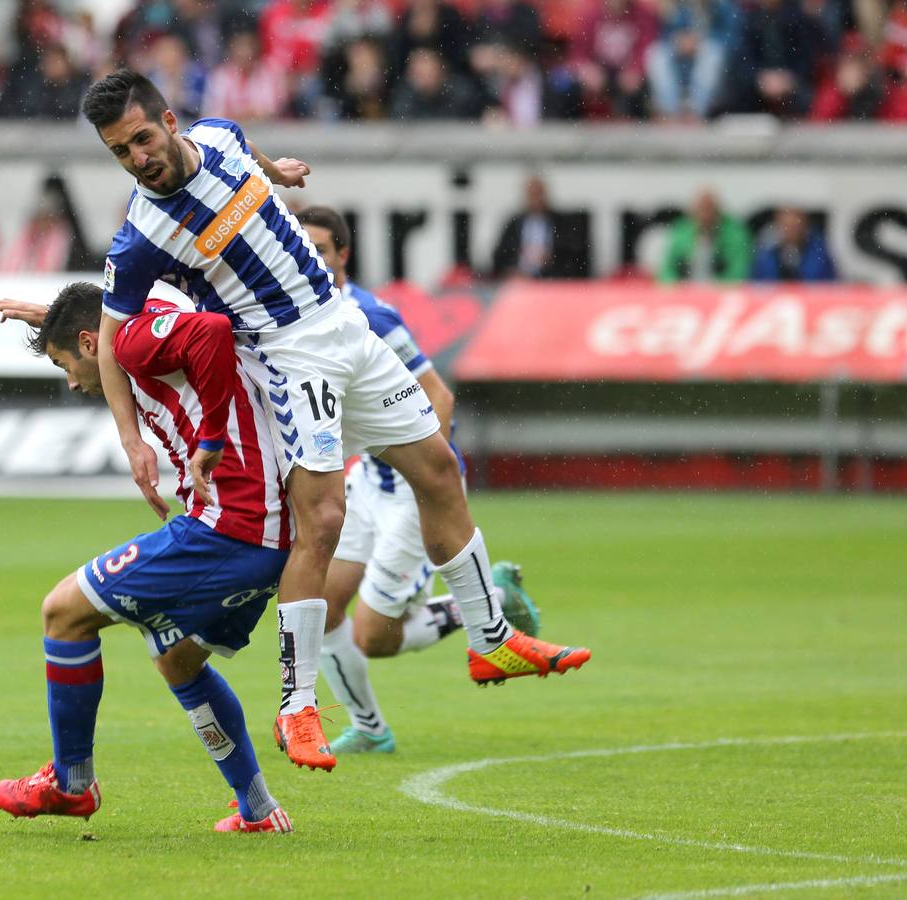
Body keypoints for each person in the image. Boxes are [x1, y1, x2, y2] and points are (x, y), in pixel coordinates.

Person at [78, 70, 591, 773]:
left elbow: (242, 148)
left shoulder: (219, 138)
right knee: (321, 518)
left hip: (344, 327)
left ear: (169, 121)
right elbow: (112, 338)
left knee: (438, 468)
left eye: (141, 138)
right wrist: (131, 438)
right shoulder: (142, 236)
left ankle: (488, 636)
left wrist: (275, 172)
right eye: (119, 152)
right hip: (288, 356)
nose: (138, 159)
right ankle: (297, 706)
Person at [0, 281, 294, 833]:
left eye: (65, 366)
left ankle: (71, 783)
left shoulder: (130, 343)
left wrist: (212, 437)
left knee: (63, 612)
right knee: (178, 659)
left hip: (230, 525)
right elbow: (116, 311)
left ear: (88, 341)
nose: (73, 383)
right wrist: (50, 315)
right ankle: (259, 812)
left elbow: (212, 332)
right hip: (268, 532)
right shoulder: (145, 314)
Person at [297, 205, 543, 754]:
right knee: (325, 602)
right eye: (302, 246)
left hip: (406, 495)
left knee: (374, 639)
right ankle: (369, 728)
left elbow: (438, 395)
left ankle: (492, 596)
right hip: (365, 488)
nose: (310, 256)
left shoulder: (370, 316)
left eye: (321, 248)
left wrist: (425, 475)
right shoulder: (301, 311)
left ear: (343, 255)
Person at [491, 175, 590, 279]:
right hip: (519, 280)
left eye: (538, 194)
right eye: (532, 194)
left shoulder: (561, 223)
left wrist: (550, 257)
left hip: (551, 279)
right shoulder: (514, 224)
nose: (536, 199)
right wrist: (514, 267)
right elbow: (500, 255)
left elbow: (572, 256)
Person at [658, 188, 750, 283]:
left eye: (709, 209)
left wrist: (713, 287)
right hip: (685, 290)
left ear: (718, 211)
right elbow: (666, 270)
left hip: (719, 290)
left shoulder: (735, 234)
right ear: (693, 212)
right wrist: (678, 286)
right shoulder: (681, 231)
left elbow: (738, 272)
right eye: (701, 209)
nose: (706, 215)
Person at [751, 206, 838, 283]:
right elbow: (758, 284)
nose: (791, 231)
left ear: (805, 224)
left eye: (795, 226)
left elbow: (829, 284)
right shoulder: (766, 253)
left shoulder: (819, 252)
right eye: (787, 226)